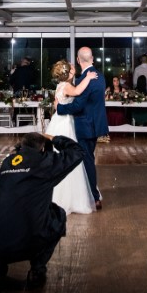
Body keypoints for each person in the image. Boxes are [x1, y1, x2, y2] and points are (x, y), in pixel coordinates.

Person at [0, 131, 84, 293]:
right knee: (58, 215)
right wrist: (54, 139)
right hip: (29, 240)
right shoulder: (46, 164)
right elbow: (77, 151)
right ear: (42, 149)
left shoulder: (7, 162)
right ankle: (37, 270)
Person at [55, 46, 108, 209]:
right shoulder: (100, 76)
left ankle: (94, 197)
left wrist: (59, 108)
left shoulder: (86, 78)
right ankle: (87, 193)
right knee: (87, 159)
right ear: (92, 58)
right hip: (95, 125)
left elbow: (78, 105)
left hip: (85, 126)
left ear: (78, 60)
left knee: (86, 161)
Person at [46, 60, 98, 214]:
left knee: (59, 156)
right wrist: (88, 78)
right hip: (65, 123)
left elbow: (60, 102)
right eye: (71, 68)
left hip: (58, 121)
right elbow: (78, 92)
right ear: (67, 73)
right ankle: (70, 197)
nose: (73, 69)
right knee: (71, 155)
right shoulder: (67, 86)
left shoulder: (60, 85)